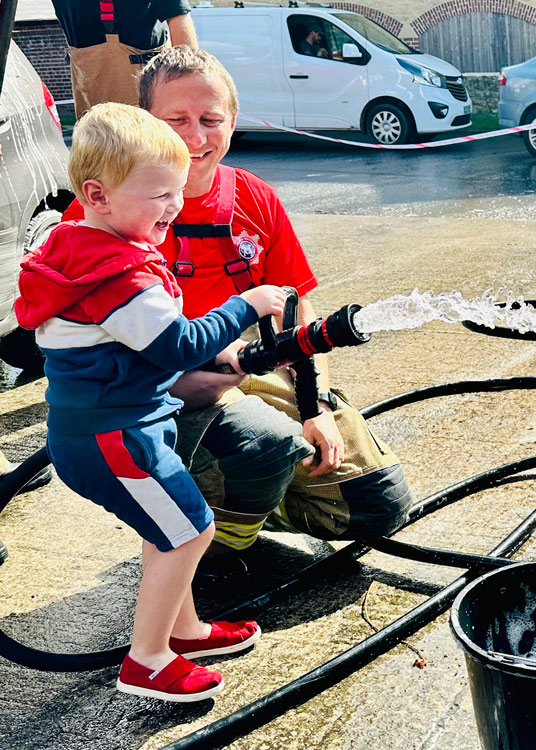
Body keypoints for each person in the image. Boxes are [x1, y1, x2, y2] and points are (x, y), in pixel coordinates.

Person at [65, 47, 413, 574]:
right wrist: (178, 384)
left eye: (211, 120)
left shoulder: (255, 199)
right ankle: (201, 549)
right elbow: (70, 337)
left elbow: (295, 307)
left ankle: (240, 506)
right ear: (145, 122)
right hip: (145, 394)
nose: (196, 138)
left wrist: (312, 404)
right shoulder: (102, 209)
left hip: (243, 368)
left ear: (234, 120)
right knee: (262, 445)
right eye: (174, 121)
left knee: (377, 504)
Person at [16, 103, 281, 700]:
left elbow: (140, 347)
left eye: (177, 192)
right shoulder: (117, 274)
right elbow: (173, 344)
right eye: (158, 194)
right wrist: (248, 304)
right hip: (116, 438)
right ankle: (149, 660)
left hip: (113, 429)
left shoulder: (81, 247)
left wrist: (219, 359)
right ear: (98, 195)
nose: (174, 207)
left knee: (169, 527)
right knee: (188, 532)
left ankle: (183, 629)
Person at [52, 0, 198, 117]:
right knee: (99, 144)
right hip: (88, 83)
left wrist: (188, 86)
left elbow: (178, 16)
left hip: (142, 83)